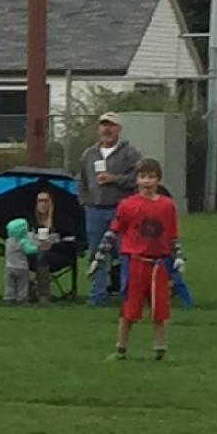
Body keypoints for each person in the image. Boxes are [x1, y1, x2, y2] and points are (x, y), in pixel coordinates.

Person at [108, 158, 181, 359]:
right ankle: (121, 348)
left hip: (158, 263)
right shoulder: (127, 205)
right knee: (129, 308)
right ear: (136, 180)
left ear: (158, 179)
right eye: (143, 176)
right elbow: (114, 231)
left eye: (151, 176)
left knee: (159, 309)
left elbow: (172, 236)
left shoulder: (167, 206)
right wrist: (100, 256)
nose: (147, 181)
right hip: (136, 262)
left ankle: (160, 348)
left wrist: (179, 257)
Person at [73, 113, 143, 305]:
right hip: (94, 211)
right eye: (104, 125)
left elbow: (138, 179)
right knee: (96, 253)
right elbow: (81, 179)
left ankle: (128, 295)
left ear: (118, 129)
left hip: (121, 211)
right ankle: (97, 295)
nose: (107, 129)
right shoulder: (89, 154)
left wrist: (114, 179)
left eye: (111, 125)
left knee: (125, 253)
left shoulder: (130, 153)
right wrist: (84, 201)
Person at [2, 216, 60, 306]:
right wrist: (39, 248)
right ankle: (21, 299)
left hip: (9, 267)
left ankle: (9, 298)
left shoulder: (8, 241)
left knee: (10, 284)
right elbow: (29, 250)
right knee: (22, 285)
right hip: (21, 267)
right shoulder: (22, 241)